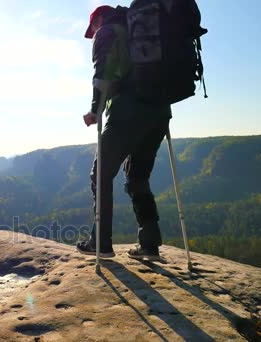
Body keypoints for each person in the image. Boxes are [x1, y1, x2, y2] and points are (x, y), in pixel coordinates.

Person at [76, 5, 172, 261]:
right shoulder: (142, 30)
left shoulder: (108, 32)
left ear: (98, 19)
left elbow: (102, 73)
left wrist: (95, 110)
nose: (93, 32)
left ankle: (101, 243)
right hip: (160, 112)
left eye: (92, 27)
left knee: (101, 172)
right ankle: (150, 245)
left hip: (127, 112)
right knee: (137, 176)